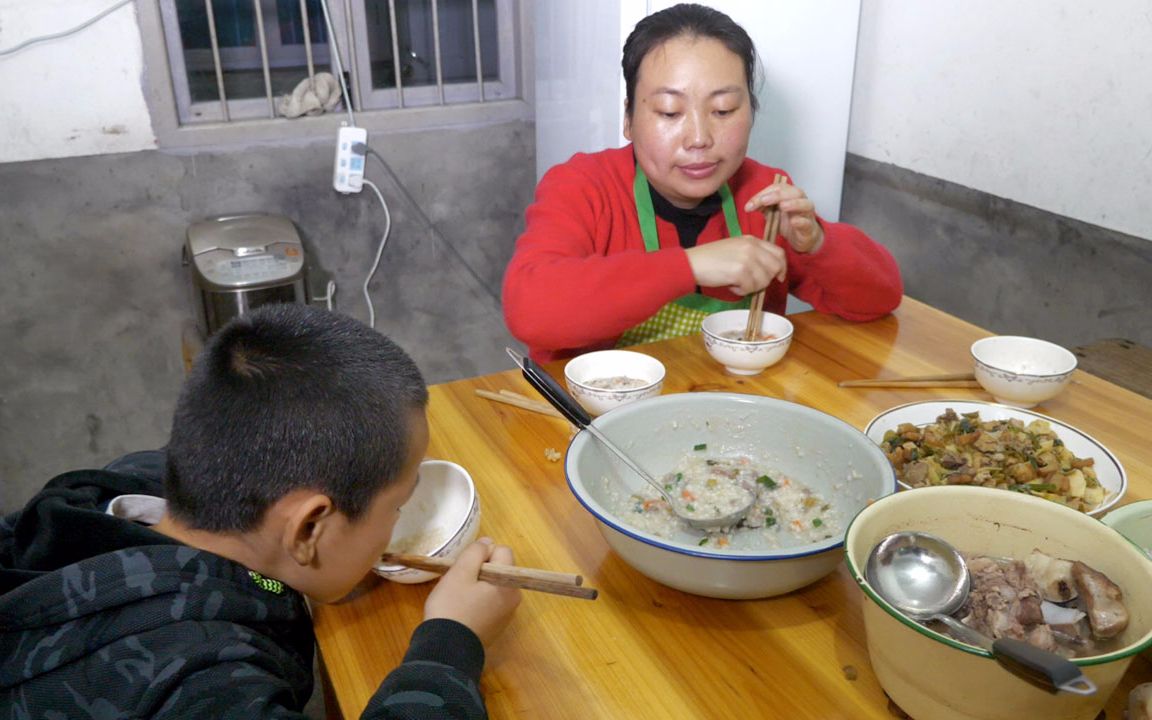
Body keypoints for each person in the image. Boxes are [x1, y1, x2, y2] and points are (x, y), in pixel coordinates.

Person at [0, 304, 521, 719]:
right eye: (399, 507)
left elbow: (277, 571)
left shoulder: (124, 489)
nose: (397, 522)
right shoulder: (194, 682)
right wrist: (452, 642)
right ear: (309, 527)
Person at [503, 3, 903, 363]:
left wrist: (817, 243)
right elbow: (530, 310)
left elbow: (880, 298)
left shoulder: (763, 198)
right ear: (628, 118)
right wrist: (691, 266)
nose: (699, 137)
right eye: (669, 111)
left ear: (752, 111)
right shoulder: (583, 187)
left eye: (723, 109)